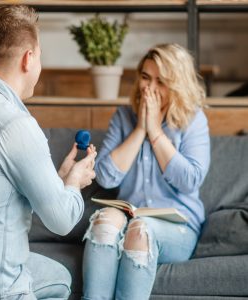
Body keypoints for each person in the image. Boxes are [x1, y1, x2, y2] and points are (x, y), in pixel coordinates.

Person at [0, 5, 96, 300]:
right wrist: (74, 183)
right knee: (62, 282)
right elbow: (62, 221)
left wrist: (58, 180)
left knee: (55, 273)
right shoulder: (17, 125)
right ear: (29, 59)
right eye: (40, 55)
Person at [82, 43, 211, 299]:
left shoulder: (193, 120)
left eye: (160, 82)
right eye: (145, 77)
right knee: (105, 223)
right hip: (130, 216)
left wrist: (155, 132)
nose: (148, 88)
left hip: (178, 226)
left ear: (176, 86)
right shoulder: (123, 117)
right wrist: (140, 129)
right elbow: (106, 177)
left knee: (141, 230)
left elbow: (190, 181)